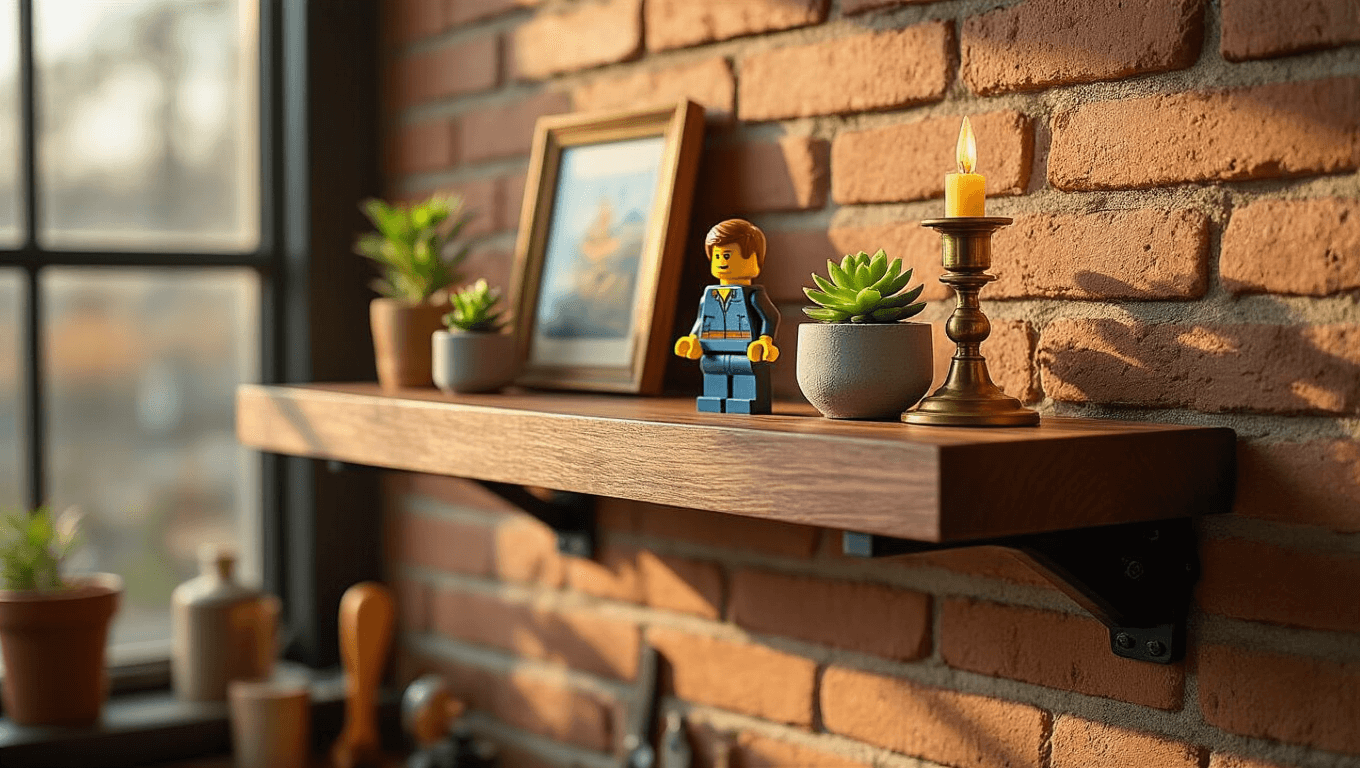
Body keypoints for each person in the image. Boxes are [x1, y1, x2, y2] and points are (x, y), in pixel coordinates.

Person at [674, 219, 780, 414]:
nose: (722, 261)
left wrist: (765, 340)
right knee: (714, 376)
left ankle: (746, 401)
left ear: (754, 258)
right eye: (717, 256)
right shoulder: (709, 295)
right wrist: (693, 339)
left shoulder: (754, 294)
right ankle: (713, 399)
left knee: (745, 377)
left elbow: (770, 317)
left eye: (728, 255)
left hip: (745, 351)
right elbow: (701, 320)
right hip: (712, 352)